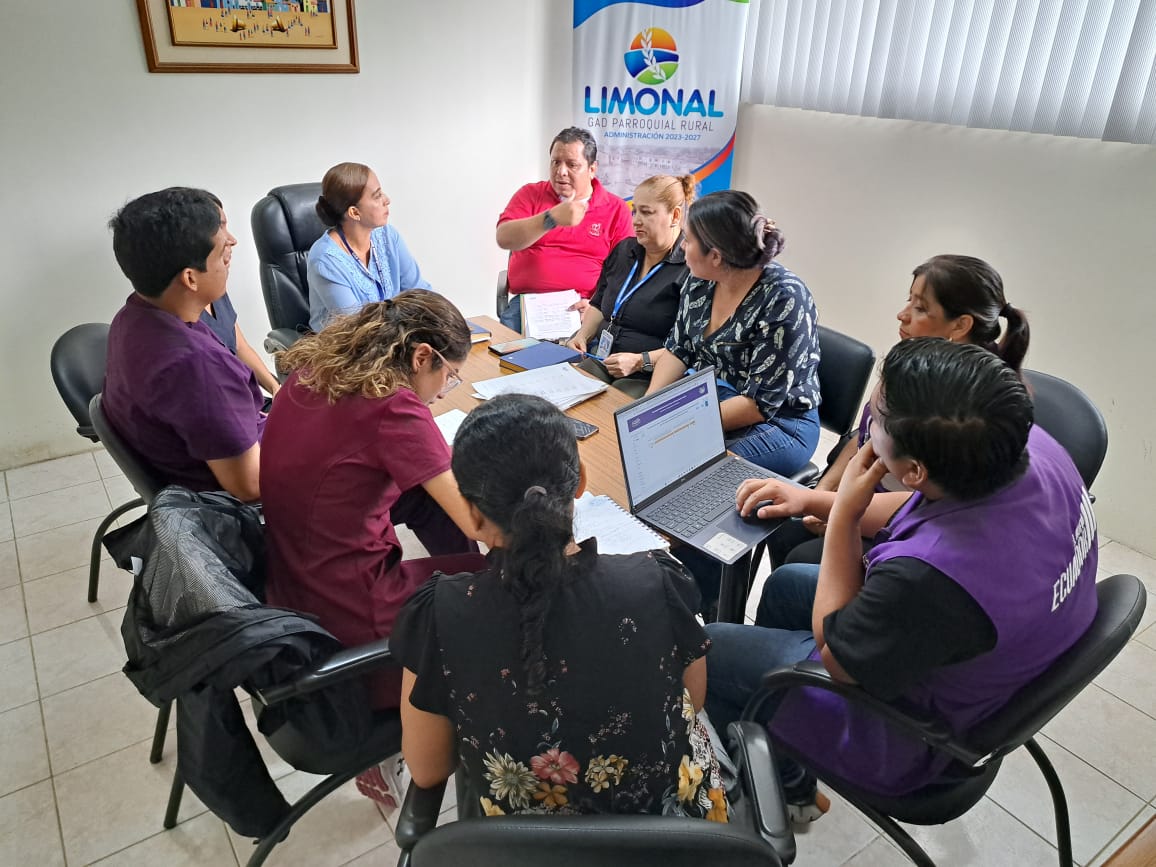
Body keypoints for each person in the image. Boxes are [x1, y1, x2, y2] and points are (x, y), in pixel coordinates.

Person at [705, 338, 1097, 820]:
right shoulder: (1027, 448)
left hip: (916, 735)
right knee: (787, 586)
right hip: (983, 661)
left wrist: (845, 516)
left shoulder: (930, 579)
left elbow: (837, 659)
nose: (870, 419)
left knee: (711, 649)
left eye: (879, 416)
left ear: (912, 470)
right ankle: (784, 759)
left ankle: (758, 798)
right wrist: (813, 500)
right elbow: (919, 504)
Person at [390, 394, 728, 822]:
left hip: (517, 847)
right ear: (580, 481)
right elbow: (693, 699)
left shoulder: (439, 616)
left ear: (472, 514)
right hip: (672, 840)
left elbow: (427, 769)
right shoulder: (658, 582)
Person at [771, 254, 1031, 567]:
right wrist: (824, 489)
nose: (902, 315)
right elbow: (865, 436)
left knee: (797, 561)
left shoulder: (961, 407)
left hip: (897, 525)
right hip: (860, 500)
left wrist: (833, 509)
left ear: (961, 325)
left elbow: (919, 507)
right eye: (909, 300)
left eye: (920, 308)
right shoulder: (911, 365)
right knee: (783, 528)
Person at [104, 187, 265, 502]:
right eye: (221, 250)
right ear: (190, 278)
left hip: (222, 455)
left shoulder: (133, 317)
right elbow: (251, 485)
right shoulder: (197, 366)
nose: (232, 245)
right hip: (241, 501)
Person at [645, 190, 821, 476]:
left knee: (683, 470)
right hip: (711, 399)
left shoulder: (784, 297)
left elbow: (759, 404)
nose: (681, 247)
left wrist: (680, 424)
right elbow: (678, 350)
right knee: (648, 451)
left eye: (688, 240)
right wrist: (647, 408)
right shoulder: (699, 280)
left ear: (715, 256)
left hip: (779, 422)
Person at [564, 174, 695, 398]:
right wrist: (582, 336)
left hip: (647, 375)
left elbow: (689, 346)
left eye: (647, 212)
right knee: (567, 394)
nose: (636, 221)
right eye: (635, 211)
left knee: (613, 407)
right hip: (601, 359)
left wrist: (639, 361)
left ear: (675, 215)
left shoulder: (691, 268)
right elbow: (599, 303)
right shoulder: (624, 250)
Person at [495, 127, 634, 332]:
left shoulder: (616, 209)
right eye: (555, 162)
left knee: (583, 351)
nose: (561, 171)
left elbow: (625, 272)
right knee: (505, 352)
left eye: (572, 164)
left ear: (592, 169)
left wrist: (597, 306)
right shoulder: (531, 194)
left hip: (582, 308)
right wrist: (550, 219)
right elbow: (504, 238)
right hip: (528, 306)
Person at [307, 162, 432, 331]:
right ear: (354, 212)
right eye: (377, 196)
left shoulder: (387, 236)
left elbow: (419, 291)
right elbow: (357, 329)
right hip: (348, 343)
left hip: (394, 334)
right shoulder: (325, 261)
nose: (387, 200)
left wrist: (447, 322)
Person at [199, 194, 280, 399]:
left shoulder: (214, 288)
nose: (232, 240)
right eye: (220, 228)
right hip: (232, 407)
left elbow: (240, 346)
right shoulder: (183, 319)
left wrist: (275, 387)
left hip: (246, 400)